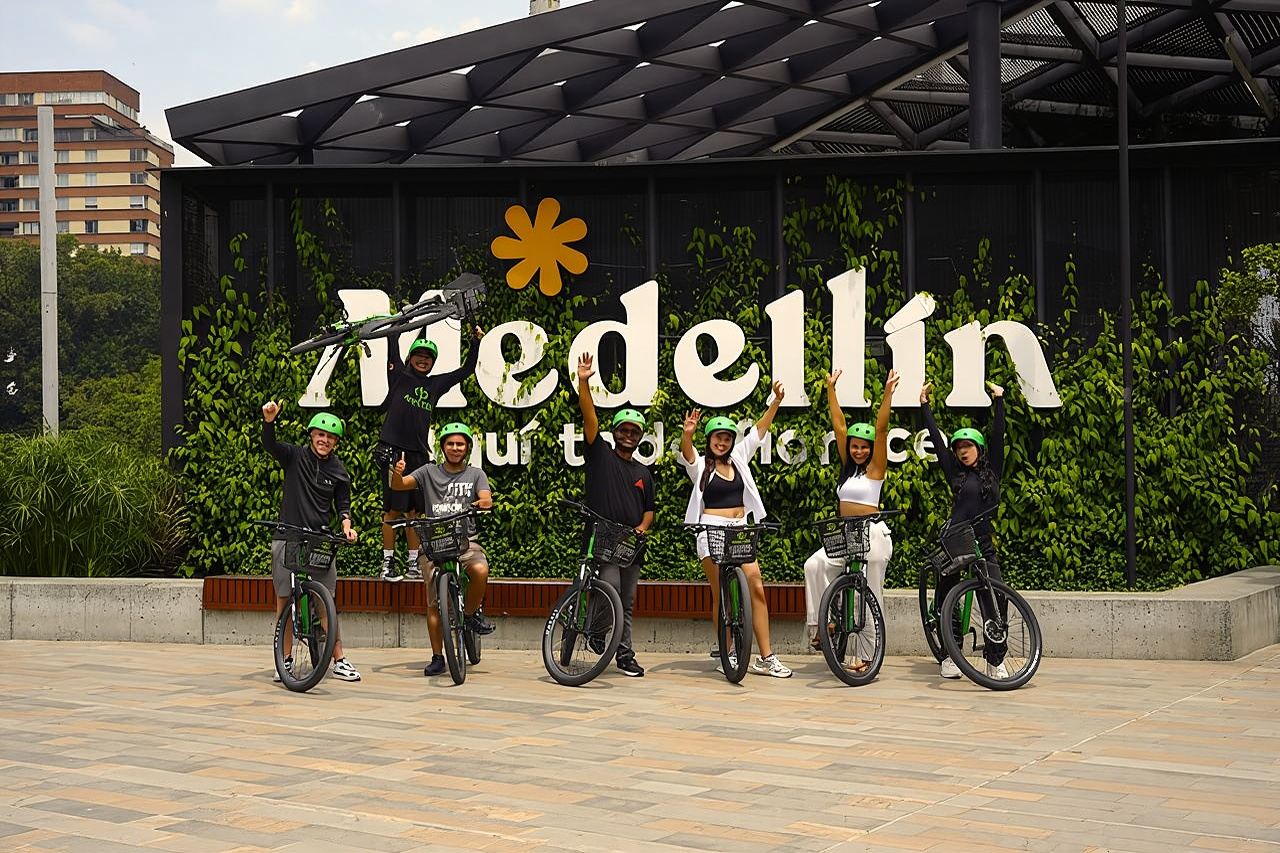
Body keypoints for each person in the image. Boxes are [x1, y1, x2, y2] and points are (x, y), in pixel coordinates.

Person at [679, 381, 792, 678]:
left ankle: (766, 657)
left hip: (740, 528)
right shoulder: (701, 466)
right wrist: (687, 433)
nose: (723, 442)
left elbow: (758, 431)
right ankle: (727, 650)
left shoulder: (739, 459)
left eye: (727, 438)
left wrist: (776, 402)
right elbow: (687, 453)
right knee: (721, 595)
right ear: (710, 439)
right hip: (711, 530)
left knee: (755, 584)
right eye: (718, 437)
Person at [803, 369, 899, 673]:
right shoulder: (848, 468)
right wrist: (831, 389)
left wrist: (887, 394)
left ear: (871, 450)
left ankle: (870, 655)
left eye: (863, 447)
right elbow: (839, 424)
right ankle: (821, 624)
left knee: (869, 592)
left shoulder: (876, 470)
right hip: (847, 536)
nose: (858, 450)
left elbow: (881, 430)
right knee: (814, 565)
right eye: (854, 446)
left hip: (872, 536)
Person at [261, 400, 361, 683]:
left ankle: (339, 659)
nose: (324, 440)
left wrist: (346, 526)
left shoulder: (338, 470)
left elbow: (343, 502)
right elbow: (271, 445)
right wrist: (269, 421)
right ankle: (285, 660)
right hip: (287, 537)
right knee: (285, 604)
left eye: (330, 437)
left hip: (318, 540)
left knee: (326, 602)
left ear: (336, 442)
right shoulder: (295, 456)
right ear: (311, 435)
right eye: (320, 434)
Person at [376, 326, 484, 582]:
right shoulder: (400, 376)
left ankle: (413, 562)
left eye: (428, 357)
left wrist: (475, 342)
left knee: (415, 512)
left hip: (419, 455)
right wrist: (395, 327)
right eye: (418, 355)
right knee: (392, 511)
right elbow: (393, 346)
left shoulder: (435, 385)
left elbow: (466, 371)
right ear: (410, 358)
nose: (423, 359)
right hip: (393, 449)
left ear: (432, 362)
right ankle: (388, 562)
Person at [390, 422, 496, 677]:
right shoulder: (428, 471)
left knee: (480, 569)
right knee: (434, 604)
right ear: (443, 447)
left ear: (467, 448)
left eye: (460, 444)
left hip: (465, 540)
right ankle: (438, 657)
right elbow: (399, 485)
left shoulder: (476, 474)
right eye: (451, 444)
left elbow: (487, 498)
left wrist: (482, 502)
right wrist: (397, 472)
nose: (455, 448)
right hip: (434, 542)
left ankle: (469, 615)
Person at [920, 379, 1008, 679]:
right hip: (956, 539)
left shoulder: (993, 469)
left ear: (979, 449)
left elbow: (999, 435)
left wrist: (999, 400)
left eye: (968, 446)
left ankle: (996, 659)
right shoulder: (955, 475)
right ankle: (949, 654)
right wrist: (924, 405)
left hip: (983, 539)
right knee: (947, 595)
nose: (962, 452)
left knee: (996, 596)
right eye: (959, 448)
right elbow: (937, 440)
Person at [575, 353, 655, 678]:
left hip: (630, 544)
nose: (628, 435)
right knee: (610, 589)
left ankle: (624, 656)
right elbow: (589, 416)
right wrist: (584, 382)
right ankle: (596, 630)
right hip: (602, 537)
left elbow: (649, 510)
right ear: (615, 431)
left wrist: (641, 527)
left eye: (634, 431)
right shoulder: (600, 453)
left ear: (639, 437)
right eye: (623, 429)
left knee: (628, 600)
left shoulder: (644, 472)